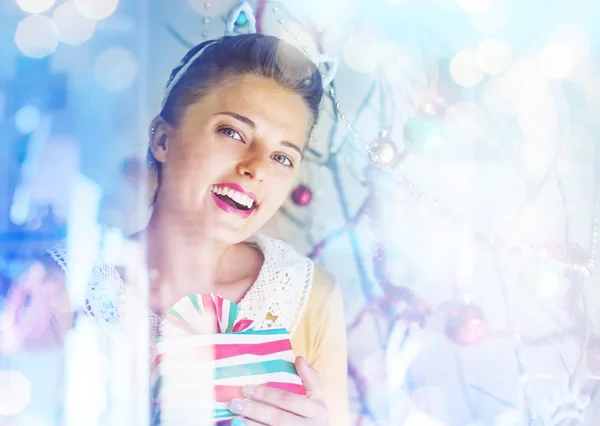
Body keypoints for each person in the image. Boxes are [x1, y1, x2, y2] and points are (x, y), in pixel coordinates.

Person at [1, 34, 350, 426]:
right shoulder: (63, 288)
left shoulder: (311, 295)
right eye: (232, 132)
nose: (257, 168)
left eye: (282, 157)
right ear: (163, 139)